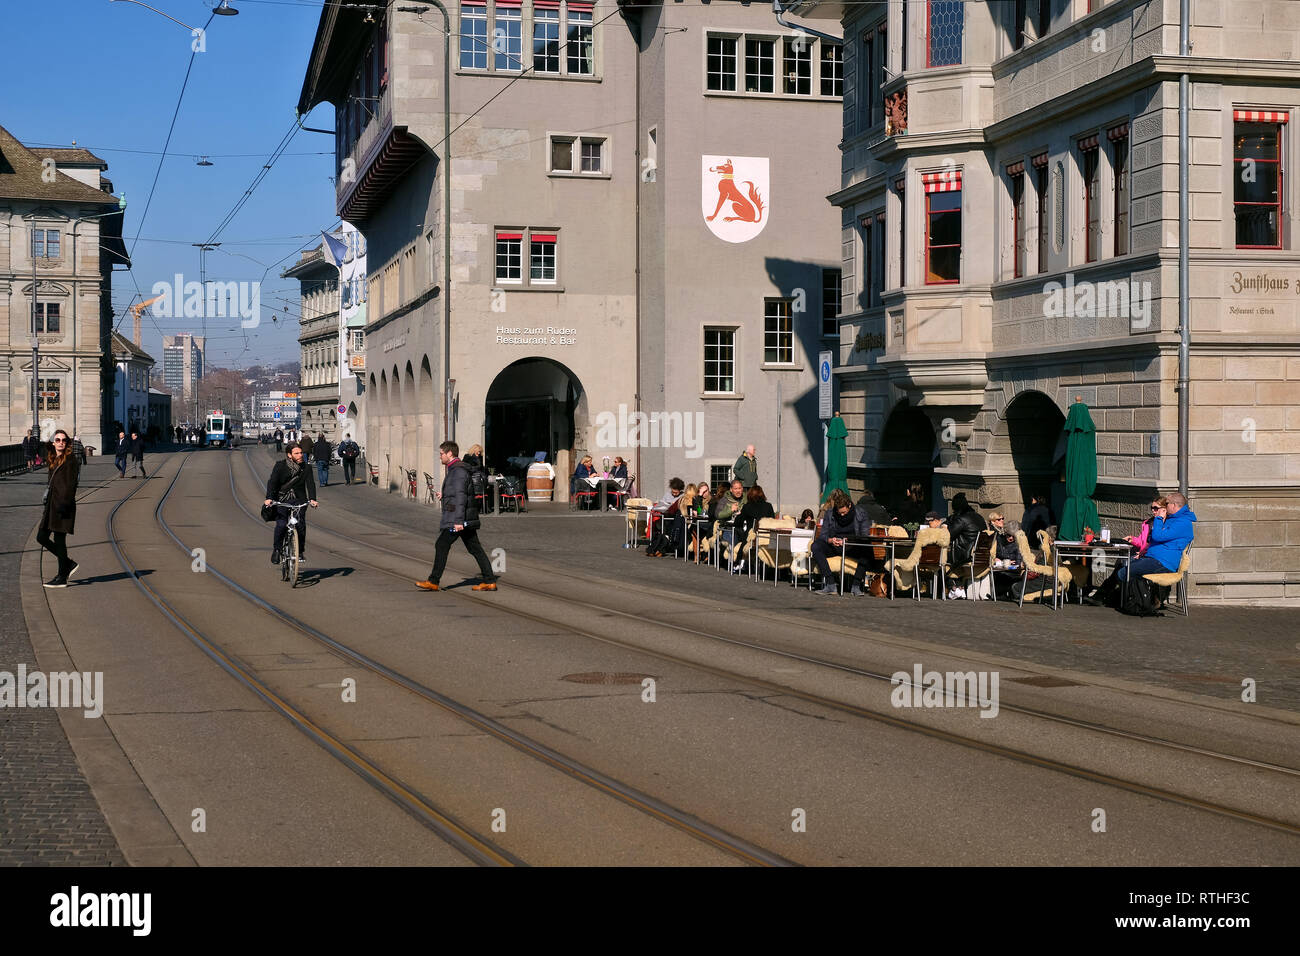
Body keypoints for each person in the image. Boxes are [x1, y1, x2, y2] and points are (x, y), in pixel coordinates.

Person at [1086, 493, 1196, 607]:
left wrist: (1158, 519)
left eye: (1166, 504)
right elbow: (1154, 541)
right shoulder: (1173, 519)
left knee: (1124, 572)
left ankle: (1129, 602)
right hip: (1153, 558)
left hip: (1163, 562)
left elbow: (1157, 537)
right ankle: (1124, 600)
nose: (1165, 507)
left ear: (1174, 505)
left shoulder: (1182, 522)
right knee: (1123, 566)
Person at [416, 441, 498, 592]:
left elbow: (461, 497)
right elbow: (458, 492)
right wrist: (445, 494)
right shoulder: (455, 469)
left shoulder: (458, 471)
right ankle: (489, 580)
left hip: (459, 519)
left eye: (441, 454)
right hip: (464, 518)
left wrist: (459, 521)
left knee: (442, 544)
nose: (440, 456)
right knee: (475, 548)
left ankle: (433, 581)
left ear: (449, 454)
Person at [37, 430, 80, 588]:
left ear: (67, 442)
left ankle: (62, 576)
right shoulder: (52, 458)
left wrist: (64, 504)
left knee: (59, 540)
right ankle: (67, 564)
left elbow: (71, 486)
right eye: (58, 440)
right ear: (53, 442)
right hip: (51, 506)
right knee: (41, 537)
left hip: (63, 506)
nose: (61, 442)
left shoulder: (71, 460)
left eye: (64, 440)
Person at [264, 442, 318, 564]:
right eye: (297, 453)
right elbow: (272, 482)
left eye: (301, 453)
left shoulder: (307, 467)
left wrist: (313, 499)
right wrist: (269, 498)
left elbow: (310, 484)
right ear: (289, 455)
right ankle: (277, 550)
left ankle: (300, 551)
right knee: (282, 524)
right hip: (282, 499)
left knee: (300, 525)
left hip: (299, 500)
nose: (300, 455)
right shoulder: (280, 466)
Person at [811, 488, 871, 595]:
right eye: (839, 513)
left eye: (844, 512)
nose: (842, 515)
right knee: (816, 546)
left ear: (849, 505)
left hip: (852, 546)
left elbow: (864, 536)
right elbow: (823, 535)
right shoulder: (830, 513)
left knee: (867, 547)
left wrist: (848, 541)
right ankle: (830, 584)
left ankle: (856, 585)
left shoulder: (861, 513)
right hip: (835, 546)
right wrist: (831, 540)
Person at [945, 492, 987, 598]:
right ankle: (958, 586)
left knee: (940, 559)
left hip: (965, 555)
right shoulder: (979, 517)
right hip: (980, 555)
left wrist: (946, 524)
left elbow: (948, 535)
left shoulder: (961, 519)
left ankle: (954, 587)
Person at [731, 485, 776, 575]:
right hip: (766, 537)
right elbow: (772, 520)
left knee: (742, 535)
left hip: (751, 538)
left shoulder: (747, 507)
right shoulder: (768, 506)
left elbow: (737, 522)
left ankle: (738, 563)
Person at [463, 443, 490, 513]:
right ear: (474, 450)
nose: (479, 453)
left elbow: (480, 467)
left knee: (486, 491)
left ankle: (484, 508)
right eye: (478, 451)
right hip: (472, 479)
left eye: (480, 451)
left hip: (478, 479)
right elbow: (465, 467)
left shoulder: (479, 457)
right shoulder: (468, 457)